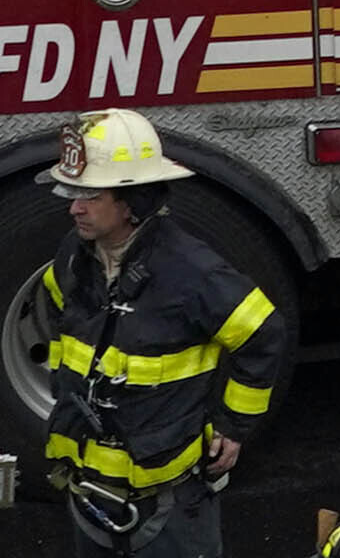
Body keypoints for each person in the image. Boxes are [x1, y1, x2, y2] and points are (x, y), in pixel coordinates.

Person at [33, 111, 284, 558]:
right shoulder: (75, 253)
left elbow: (262, 334)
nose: (74, 207)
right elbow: (58, 308)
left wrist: (233, 426)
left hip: (168, 506)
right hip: (90, 492)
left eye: (90, 194)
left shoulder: (191, 272)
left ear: (133, 201)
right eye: (73, 193)